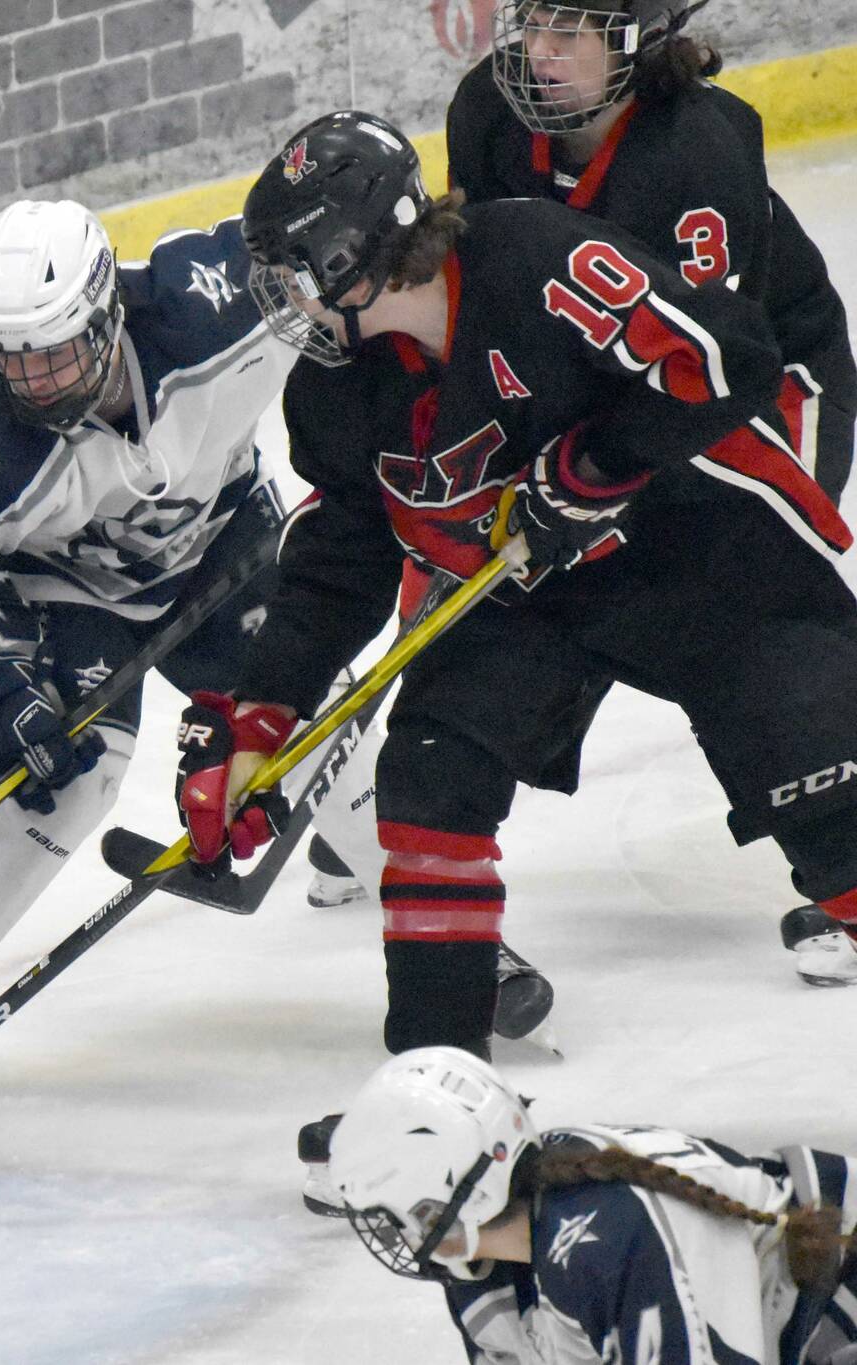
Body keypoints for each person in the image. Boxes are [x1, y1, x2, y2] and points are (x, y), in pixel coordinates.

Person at [192, 111, 857, 1174]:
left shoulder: (540, 259)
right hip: (527, 593)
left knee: (833, 813)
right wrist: (256, 717)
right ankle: (429, 1111)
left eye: (293, 274)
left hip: (703, 554)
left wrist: (595, 465)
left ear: (348, 256)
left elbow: (727, 357)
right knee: (425, 788)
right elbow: (341, 555)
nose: (288, 303)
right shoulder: (335, 384)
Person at [0, 195, 399, 1121]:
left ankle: (432, 922)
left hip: (221, 545)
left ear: (107, 312)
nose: (33, 381)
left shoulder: (215, 303)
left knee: (312, 718)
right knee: (73, 768)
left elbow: (353, 264)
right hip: (67, 590)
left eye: (51, 351)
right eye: (10, 358)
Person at [447, 0, 857, 986]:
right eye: (528, 28)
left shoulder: (697, 158)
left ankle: (844, 862)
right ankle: (432, 814)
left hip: (748, 393)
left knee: (724, 602)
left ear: (637, 44)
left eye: (567, 36)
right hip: (593, 392)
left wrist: (586, 472)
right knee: (507, 592)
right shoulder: (484, 117)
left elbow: (705, 374)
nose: (535, 57)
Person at [327, 1047, 856, 1363]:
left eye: (393, 1215)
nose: (394, 1236)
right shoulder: (494, 1265)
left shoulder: (614, 1235)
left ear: (442, 1198)